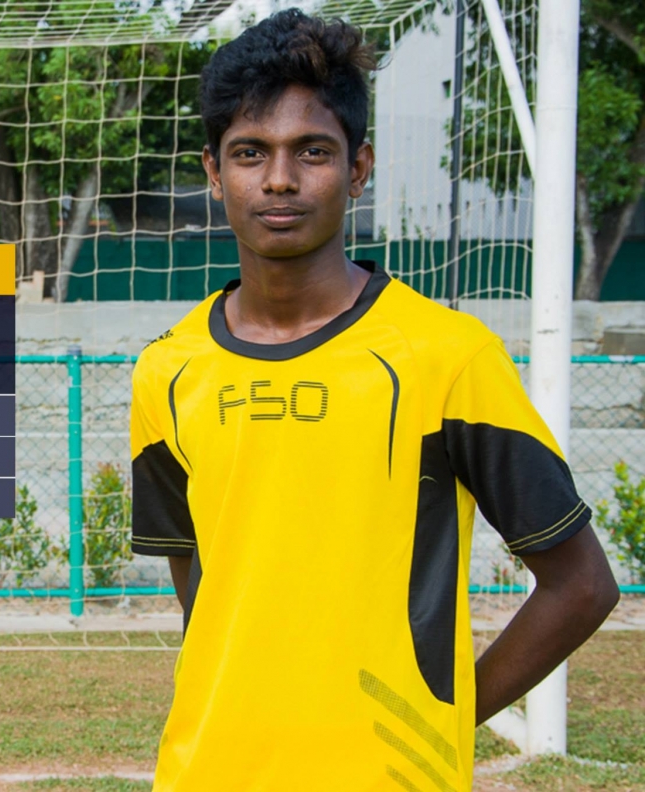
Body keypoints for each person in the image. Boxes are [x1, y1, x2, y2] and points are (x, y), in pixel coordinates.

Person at [129, 9, 620, 791]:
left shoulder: (446, 356)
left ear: (358, 168)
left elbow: (582, 585)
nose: (279, 179)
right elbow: (205, 594)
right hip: (207, 772)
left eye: (312, 152)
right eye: (250, 153)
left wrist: (445, 720)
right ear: (214, 173)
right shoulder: (168, 370)